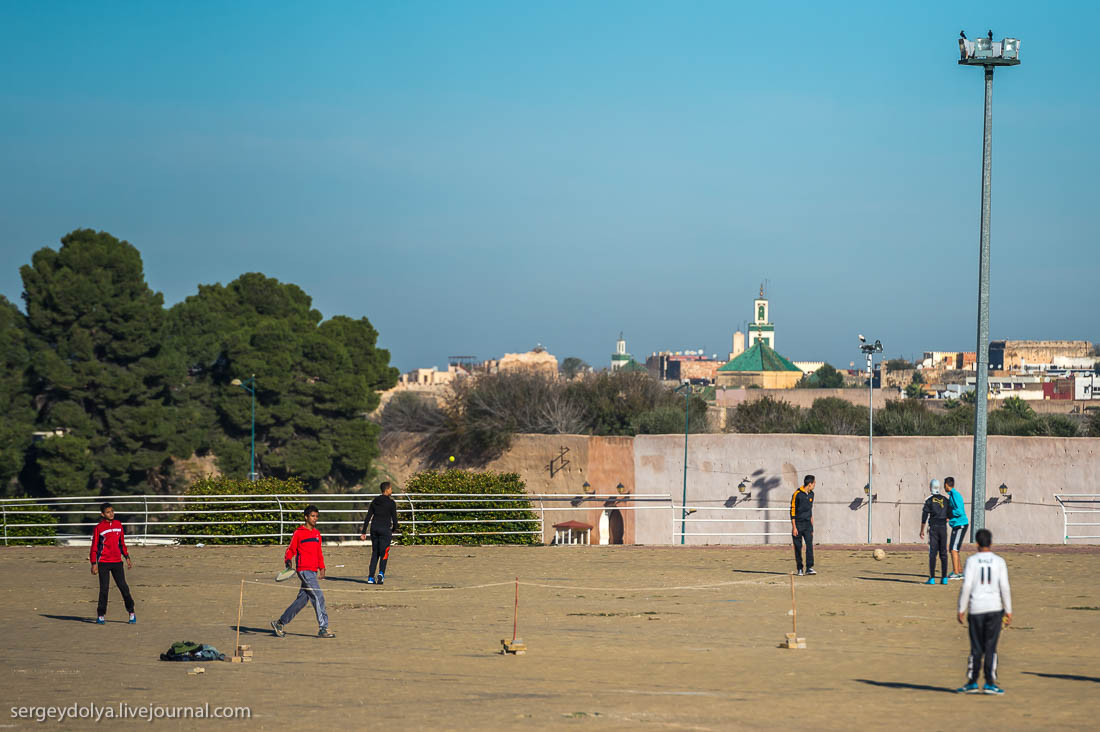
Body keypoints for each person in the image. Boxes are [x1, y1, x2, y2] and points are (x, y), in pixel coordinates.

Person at [956, 528, 1012, 695]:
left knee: (976, 647)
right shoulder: (999, 562)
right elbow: (1005, 587)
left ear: (977, 544)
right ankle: (989, 682)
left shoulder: (972, 561)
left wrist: (961, 608)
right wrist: (1008, 610)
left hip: (976, 609)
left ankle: (972, 682)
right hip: (994, 609)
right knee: (991, 647)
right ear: (991, 543)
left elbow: (966, 586)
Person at [272, 505, 334, 638]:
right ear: (306, 517)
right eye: (312, 516)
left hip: (313, 571)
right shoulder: (299, 533)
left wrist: (322, 568)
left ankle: (280, 623)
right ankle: (323, 628)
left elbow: (319, 552)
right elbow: (291, 549)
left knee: (301, 601)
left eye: (316, 516)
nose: (315, 519)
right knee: (318, 597)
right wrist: (288, 561)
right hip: (303, 570)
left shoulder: (317, 534)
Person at [90, 502, 136, 625]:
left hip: (117, 562)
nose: (111, 514)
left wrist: (127, 557)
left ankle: (131, 612)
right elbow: (94, 547)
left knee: (123, 587)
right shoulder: (98, 528)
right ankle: (101, 615)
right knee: (104, 589)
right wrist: (93, 563)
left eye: (112, 511)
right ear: (102, 514)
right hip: (103, 563)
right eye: (108, 512)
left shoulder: (118, 525)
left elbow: (122, 543)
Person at [360, 481, 400, 585]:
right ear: (387, 490)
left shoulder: (375, 501)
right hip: (385, 530)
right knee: (384, 552)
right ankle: (381, 574)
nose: (392, 490)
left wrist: (363, 531)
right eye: (391, 489)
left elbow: (368, 517)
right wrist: (394, 529)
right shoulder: (391, 503)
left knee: (375, 553)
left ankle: (370, 577)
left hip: (374, 529)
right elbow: (395, 519)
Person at [920, 479, 951, 585]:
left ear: (930, 487)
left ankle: (932, 578)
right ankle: (944, 578)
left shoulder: (928, 500)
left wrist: (922, 530)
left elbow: (924, 517)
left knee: (933, 553)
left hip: (933, 528)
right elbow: (950, 514)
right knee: (944, 553)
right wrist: (945, 518)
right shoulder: (946, 500)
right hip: (943, 528)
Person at [790, 475, 815, 576]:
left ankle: (809, 568)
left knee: (809, 546)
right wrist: (794, 527)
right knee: (798, 547)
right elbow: (792, 511)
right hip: (798, 524)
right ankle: (800, 568)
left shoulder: (812, 494)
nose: (814, 486)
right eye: (814, 484)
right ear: (810, 484)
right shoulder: (797, 494)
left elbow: (810, 511)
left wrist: (812, 526)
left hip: (808, 525)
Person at [945, 476, 969, 580]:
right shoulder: (952, 495)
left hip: (960, 524)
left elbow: (959, 511)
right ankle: (959, 571)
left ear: (946, 485)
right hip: (957, 524)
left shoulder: (955, 495)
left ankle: (956, 573)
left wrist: (949, 514)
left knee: (953, 549)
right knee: (954, 549)